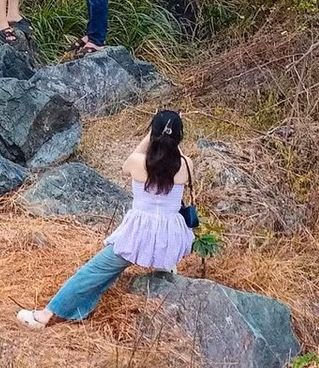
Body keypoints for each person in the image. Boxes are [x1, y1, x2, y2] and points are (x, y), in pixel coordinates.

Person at [15, 109, 195, 328]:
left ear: (152, 133)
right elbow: (173, 151)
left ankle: (45, 316)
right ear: (179, 136)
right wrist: (170, 130)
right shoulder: (186, 165)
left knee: (94, 271)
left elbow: (127, 164)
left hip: (139, 234)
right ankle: (163, 263)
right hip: (171, 237)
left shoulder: (137, 162)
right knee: (144, 254)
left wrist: (154, 134)